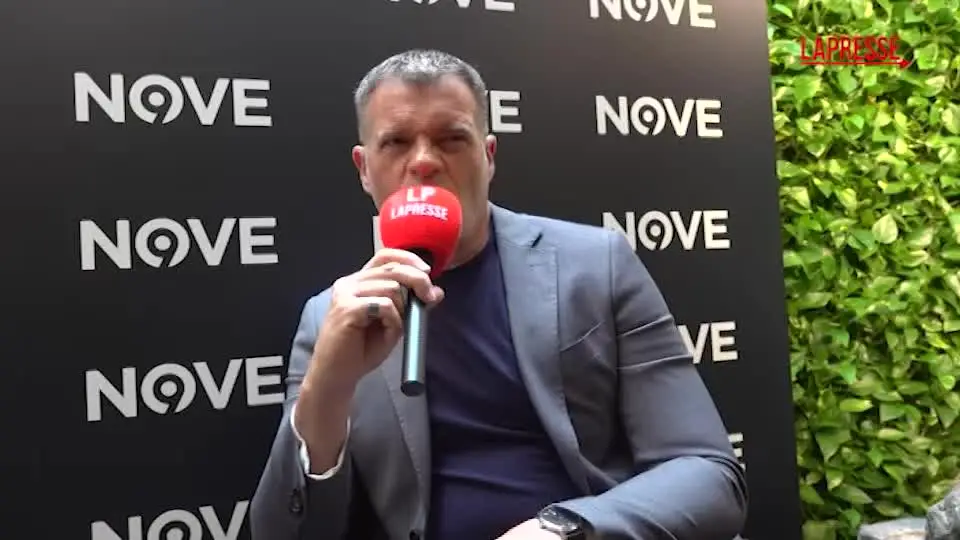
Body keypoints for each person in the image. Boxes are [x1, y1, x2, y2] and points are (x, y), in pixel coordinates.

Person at [249, 49, 748, 540]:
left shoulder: (598, 264)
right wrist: (326, 391)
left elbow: (708, 473)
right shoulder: (329, 318)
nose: (424, 162)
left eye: (451, 139)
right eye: (396, 142)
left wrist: (565, 530)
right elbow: (280, 532)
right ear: (364, 169)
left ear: (488, 157)